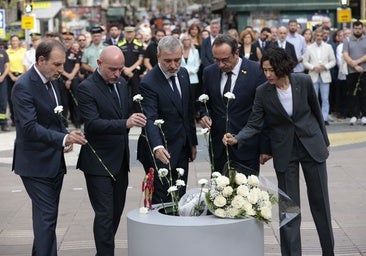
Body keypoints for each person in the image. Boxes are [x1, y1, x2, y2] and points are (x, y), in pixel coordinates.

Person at [223, 47, 334, 256]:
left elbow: (317, 113)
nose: (267, 75)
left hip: (312, 147)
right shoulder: (263, 91)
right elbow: (254, 124)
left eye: (270, 70)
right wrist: (237, 137)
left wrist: (325, 141)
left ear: (282, 67)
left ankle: (329, 252)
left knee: (321, 204)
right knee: (289, 209)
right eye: (264, 70)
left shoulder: (304, 81)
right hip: (285, 152)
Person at [11, 39, 87, 256]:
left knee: (47, 218)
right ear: (41, 60)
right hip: (34, 164)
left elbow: (55, 118)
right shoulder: (23, 86)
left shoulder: (53, 80)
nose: (61, 70)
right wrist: (63, 140)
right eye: (57, 65)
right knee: (46, 217)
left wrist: (65, 135)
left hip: (53, 161)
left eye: (62, 64)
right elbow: (29, 127)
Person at [76, 45, 147, 255]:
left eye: (120, 68)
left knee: (115, 214)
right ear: (99, 64)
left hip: (120, 160)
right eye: (112, 69)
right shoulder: (86, 88)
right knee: (105, 214)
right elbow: (92, 124)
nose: (117, 73)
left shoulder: (122, 84)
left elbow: (124, 111)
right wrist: (125, 123)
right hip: (97, 162)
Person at [137, 36, 198, 204]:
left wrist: (192, 142)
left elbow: (188, 111)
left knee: (180, 196)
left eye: (177, 60)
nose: (173, 65)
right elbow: (150, 118)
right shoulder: (148, 82)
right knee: (162, 201)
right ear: (158, 58)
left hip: (182, 147)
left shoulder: (184, 74)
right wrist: (157, 146)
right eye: (167, 61)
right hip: (161, 151)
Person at [200, 34, 270, 175]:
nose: (220, 65)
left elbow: (265, 112)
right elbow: (205, 101)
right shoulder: (209, 72)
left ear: (236, 53)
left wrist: (265, 148)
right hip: (219, 146)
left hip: (246, 145)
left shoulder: (256, 71)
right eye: (216, 60)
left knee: (246, 193)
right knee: (219, 193)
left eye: (225, 60)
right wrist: (205, 115)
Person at [303, 29, 336, 125]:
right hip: (313, 75)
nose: (319, 37)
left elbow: (333, 61)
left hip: (325, 75)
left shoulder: (328, 47)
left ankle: (324, 118)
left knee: (325, 98)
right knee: (314, 98)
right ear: (314, 36)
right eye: (317, 35)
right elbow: (305, 62)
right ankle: (315, 118)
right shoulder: (309, 48)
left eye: (320, 35)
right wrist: (313, 67)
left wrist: (325, 66)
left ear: (322, 36)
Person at [342, 20, 366, 125]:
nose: (358, 30)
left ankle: (364, 115)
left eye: (360, 28)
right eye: (356, 28)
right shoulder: (347, 40)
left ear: (362, 29)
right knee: (352, 93)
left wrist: (358, 62)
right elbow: (345, 54)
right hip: (351, 71)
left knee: (364, 93)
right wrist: (354, 65)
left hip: (364, 71)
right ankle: (354, 115)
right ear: (353, 29)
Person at [6, 35, 26, 126]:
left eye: (16, 40)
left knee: (22, 98)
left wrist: (21, 75)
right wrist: (11, 76)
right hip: (10, 76)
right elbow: (6, 65)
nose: (14, 42)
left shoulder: (24, 51)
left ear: (19, 41)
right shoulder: (7, 52)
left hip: (22, 76)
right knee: (11, 98)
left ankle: (22, 118)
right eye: (13, 40)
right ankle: (14, 119)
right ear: (10, 42)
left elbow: (26, 64)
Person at [0, 46, 9, 131]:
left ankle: (3, 123)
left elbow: (7, 66)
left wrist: (2, 77)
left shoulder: (3, 52)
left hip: (2, 81)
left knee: (3, 103)